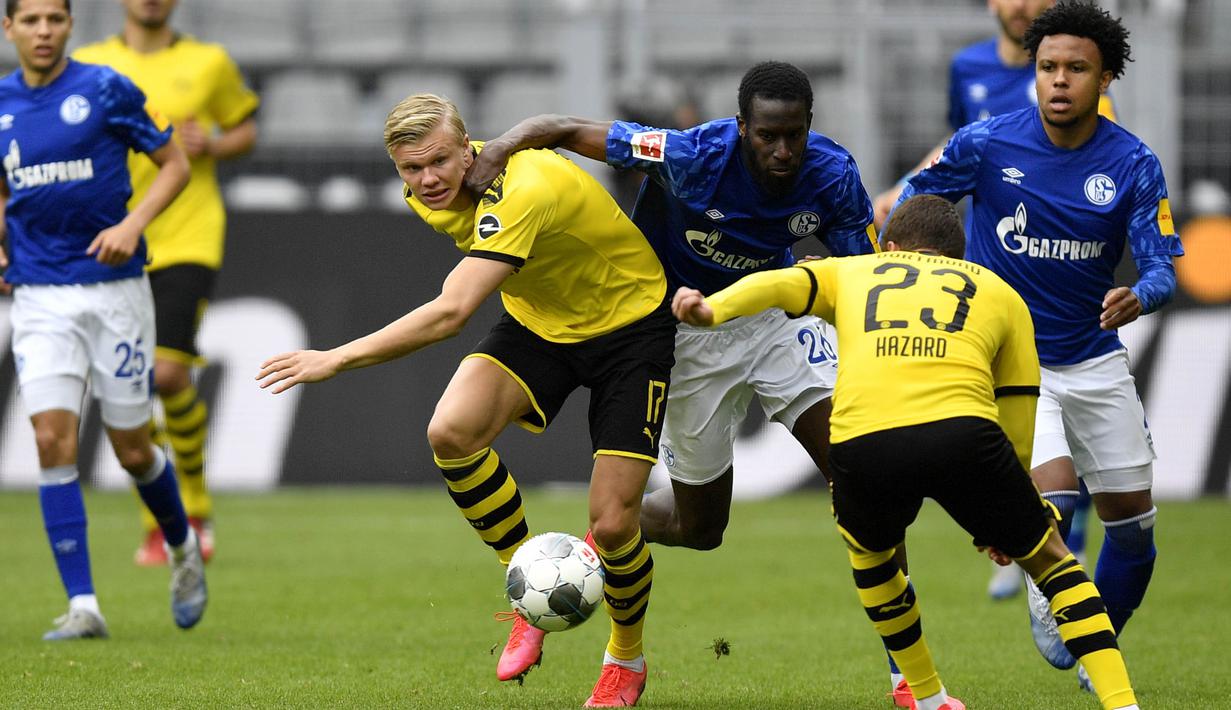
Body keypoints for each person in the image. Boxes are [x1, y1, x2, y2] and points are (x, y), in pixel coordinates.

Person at [467, 59, 913, 704]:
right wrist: (501, 149)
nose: (783, 150)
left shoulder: (833, 172)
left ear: (809, 126)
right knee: (701, 529)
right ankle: (585, 553)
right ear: (741, 128)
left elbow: (864, 273)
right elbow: (562, 127)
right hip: (684, 335)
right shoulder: (692, 153)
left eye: (794, 134)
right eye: (767, 136)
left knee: (861, 475)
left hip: (775, 323)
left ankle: (909, 677)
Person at [255, 94, 673, 708]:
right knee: (450, 432)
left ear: (469, 146)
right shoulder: (431, 196)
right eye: (410, 168)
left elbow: (451, 312)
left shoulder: (523, 188)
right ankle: (528, 590)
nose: (427, 180)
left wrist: (335, 357)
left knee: (612, 525)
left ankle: (624, 660)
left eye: (440, 162)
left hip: (630, 329)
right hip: (542, 322)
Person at [674, 194, 1141, 710]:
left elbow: (779, 282)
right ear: (958, 259)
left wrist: (713, 309)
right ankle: (1122, 703)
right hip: (963, 434)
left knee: (873, 561)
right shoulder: (1001, 293)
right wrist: (1003, 516)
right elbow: (1017, 416)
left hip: (863, 441)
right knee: (1053, 562)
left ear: (891, 246)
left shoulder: (856, 271)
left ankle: (926, 695)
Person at [897, 0, 1183, 692]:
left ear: (1104, 77)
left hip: (1093, 359)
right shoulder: (987, 143)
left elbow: (1161, 266)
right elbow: (914, 204)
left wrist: (1138, 295)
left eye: (1075, 69)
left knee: (1134, 531)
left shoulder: (1133, 164)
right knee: (1051, 502)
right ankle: (1044, 571)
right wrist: (932, 265)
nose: (1057, 80)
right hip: (1012, 363)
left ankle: (1093, 642)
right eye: (1047, 66)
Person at [0, 0, 205, 639]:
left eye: (54, 20)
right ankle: (83, 605)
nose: (42, 31)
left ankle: (182, 547)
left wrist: (132, 224)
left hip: (115, 292)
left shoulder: (105, 87)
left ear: (69, 26)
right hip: (39, 297)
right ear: (8, 27)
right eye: (29, 20)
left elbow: (176, 163)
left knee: (132, 447)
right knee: (52, 442)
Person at [74, 0, 260, 567]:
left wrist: (216, 144)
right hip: (113, 236)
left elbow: (244, 129)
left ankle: (194, 511)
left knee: (168, 371)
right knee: (127, 384)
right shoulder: (88, 62)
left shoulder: (209, 62)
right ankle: (159, 522)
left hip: (187, 233)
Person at [872, 0, 1116, 231]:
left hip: (1055, 241)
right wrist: (906, 186)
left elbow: (1104, 150)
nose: (1020, 5)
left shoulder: (1071, 74)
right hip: (985, 247)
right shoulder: (966, 66)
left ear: (1052, 2)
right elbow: (957, 143)